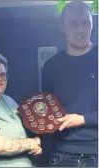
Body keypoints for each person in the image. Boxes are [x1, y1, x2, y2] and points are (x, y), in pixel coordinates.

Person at [42, 1, 98, 167]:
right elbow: (46, 110)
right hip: (62, 154)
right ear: (63, 26)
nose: (80, 29)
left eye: (86, 23)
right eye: (73, 23)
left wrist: (83, 119)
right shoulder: (51, 66)